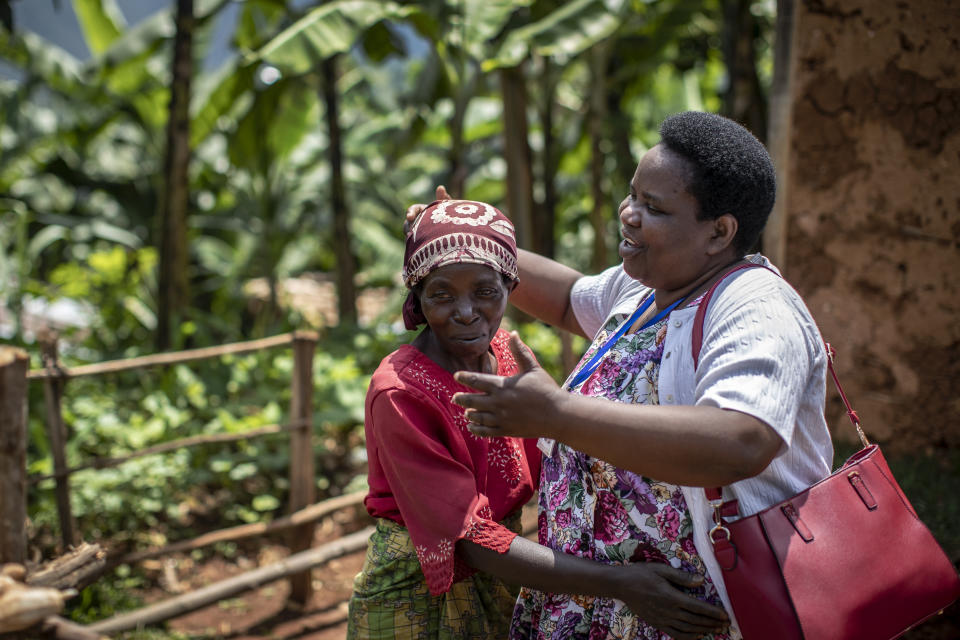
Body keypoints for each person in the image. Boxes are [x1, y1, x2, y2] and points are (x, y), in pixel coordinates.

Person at [439, 111, 834, 639]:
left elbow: (742, 440)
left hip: (698, 614)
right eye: (633, 195)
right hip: (600, 606)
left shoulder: (755, 309)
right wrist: (464, 236)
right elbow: (563, 299)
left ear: (719, 232)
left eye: (654, 207)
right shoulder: (647, 291)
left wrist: (557, 415)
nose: (628, 214)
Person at [347, 197, 731, 640]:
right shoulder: (400, 391)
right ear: (417, 296)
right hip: (414, 592)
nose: (467, 312)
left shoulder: (509, 354)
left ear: (511, 287)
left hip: (505, 575)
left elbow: (560, 449)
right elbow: (468, 539)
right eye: (441, 295)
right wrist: (620, 584)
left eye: (485, 292)